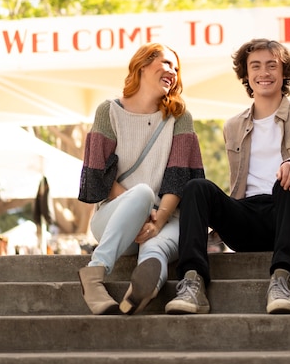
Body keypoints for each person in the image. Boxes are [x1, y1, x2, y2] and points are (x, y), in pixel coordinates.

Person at [164, 38, 290, 315]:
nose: (263, 73)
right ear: (246, 74)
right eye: (255, 66)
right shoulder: (233, 125)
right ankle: (192, 282)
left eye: (271, 66)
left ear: (284, 72)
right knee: (196, 187)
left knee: (288, 184)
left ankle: (281, 280)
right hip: (248, 219)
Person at [77, 42, 205, 315]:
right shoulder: (108, 112)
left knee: (155, 248)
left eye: (177, 68)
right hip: (114, 219)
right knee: (143, 193)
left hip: (165, 219)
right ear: (143, 64)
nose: (173, 71)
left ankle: (142, 291)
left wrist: (157, 220)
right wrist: (141, 212)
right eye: (167, 63)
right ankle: (94, 274)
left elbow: (178, 175)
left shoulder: (179, 118)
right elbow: (99, 173)